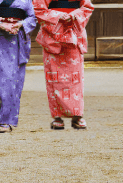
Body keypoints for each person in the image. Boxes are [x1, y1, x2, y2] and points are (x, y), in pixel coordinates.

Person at [32, 0, 93, 130]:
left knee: (75, 78)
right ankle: (57, 116)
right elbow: (38, 9)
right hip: (52, 35)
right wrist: (58, 16)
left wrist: (74, 15)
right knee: (54, 77)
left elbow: (87, 6)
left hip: (74, 31)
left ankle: (77, 116)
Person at [0, 0, 37, 133]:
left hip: (18, 38)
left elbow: (32, 17)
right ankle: (4, 119)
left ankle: (10, 119)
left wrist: (20, 24)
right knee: (5, 79)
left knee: (16, 80)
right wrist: (0, 25)